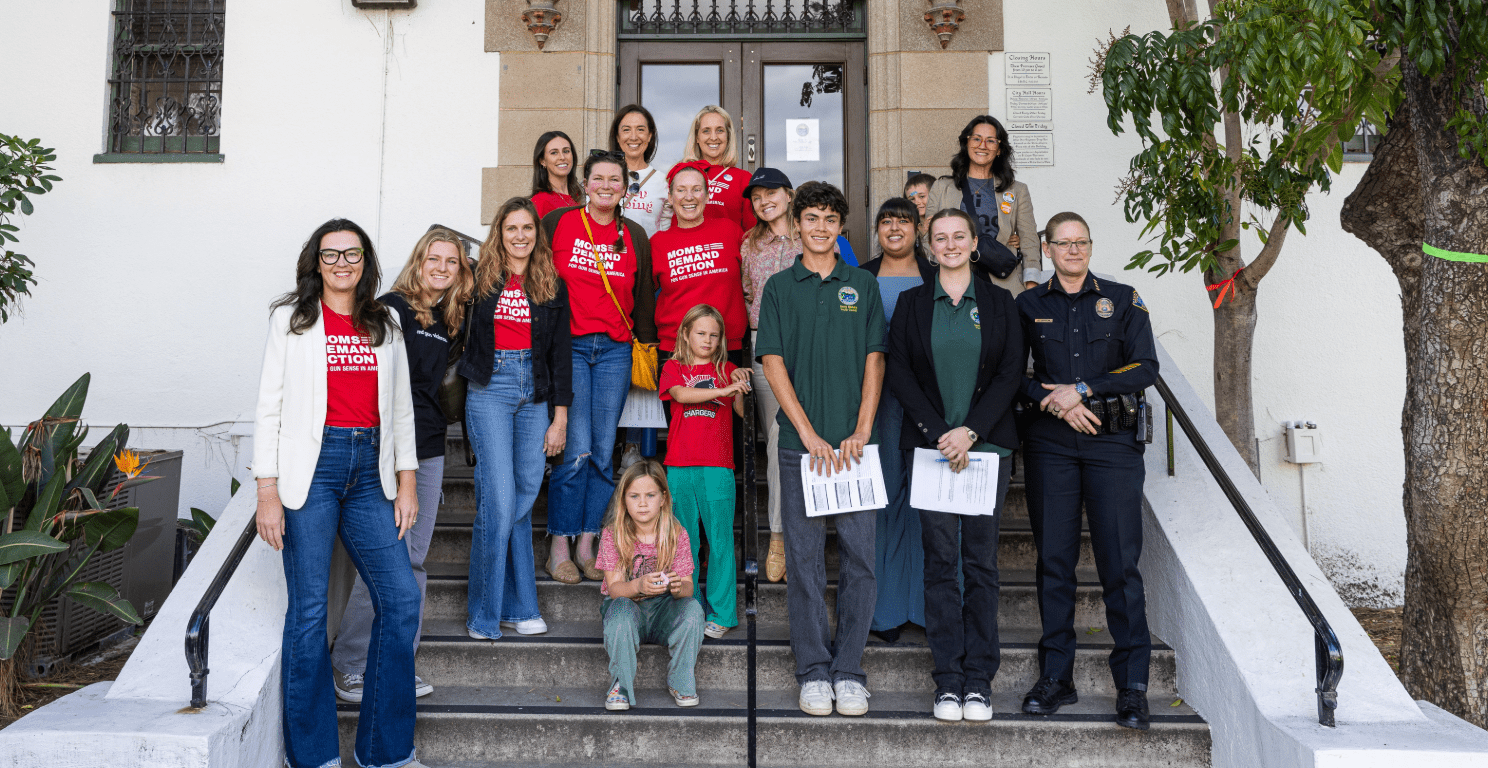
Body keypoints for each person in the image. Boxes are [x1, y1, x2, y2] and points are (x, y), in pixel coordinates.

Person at [253, 219, 425, 768]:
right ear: (316, 263)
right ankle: (313, 757)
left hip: (370, 470)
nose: (342, 264)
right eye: (331, 255)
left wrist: (407, 480)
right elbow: (269, 408)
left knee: (399, 599)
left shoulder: (387, 321)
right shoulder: (292, 320)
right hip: (313, 470)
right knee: (307, 613)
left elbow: (401, 408)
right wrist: (267, 490)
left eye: (352, 254)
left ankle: (385, 752)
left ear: (366, 262)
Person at [1016, 211, 1158, 730]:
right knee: (1054, 562)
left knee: (1120, 562)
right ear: (1047, 250)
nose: (1073, 250)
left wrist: (1083, 389)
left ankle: (1133, 686)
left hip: (1112, 442)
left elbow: (1146, 367)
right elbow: (1012, 374)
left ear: (1090, 248)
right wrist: (1057, 402)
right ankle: (1056, 677)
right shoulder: (1027, 305)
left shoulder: (1122, 299)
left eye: (1082, 242)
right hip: (1051, 443)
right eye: (1063, 243)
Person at [887, 208, 1023, 723]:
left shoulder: (1000, 303)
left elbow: (1012, 372)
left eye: (958, 237)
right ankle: (948, 680)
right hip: (930, 451)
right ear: (929, 243)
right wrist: (940, 434)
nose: (949, 244)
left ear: (973, 243)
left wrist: (970, 432)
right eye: (939, 237)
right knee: (941, 565)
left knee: (982, 566)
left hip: (986, 452)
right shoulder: (912, 303)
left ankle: (979, 682)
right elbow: (900, 372)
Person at [756, 181, 884, 718]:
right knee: (804, 560)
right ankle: (812, 670)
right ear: (799, 224)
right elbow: (773, 363)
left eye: (831, 218)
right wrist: (806, 433)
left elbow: (875, 359)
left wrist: (860, 428)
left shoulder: (863, 284)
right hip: (800, 447)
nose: (821, 226)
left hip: (856, 448)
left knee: (861, 559)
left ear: (841, 227)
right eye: (812, 218)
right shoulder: (781, 287)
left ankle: (849, 671)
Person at [330, 226, 472, 703]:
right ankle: (349, 663)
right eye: (435, 259)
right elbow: (372, 377)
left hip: (429, 445)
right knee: (386, 560)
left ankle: (396, 662)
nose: (442, 268)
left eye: (452, 262)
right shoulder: (391, 308)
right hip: (387, 448)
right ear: (419, 259)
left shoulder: (447, 317)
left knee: (413, 559)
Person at [542, 150, 658, 584]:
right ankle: (559, 544)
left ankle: (589, 542)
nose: (607, 185)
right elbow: (538, 280)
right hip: (569, 347)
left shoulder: (636, 235)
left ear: (625, 187)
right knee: (576, 449)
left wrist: (648, 350)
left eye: (615, 179)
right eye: (599, 178)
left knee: (604, 448)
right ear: (585, 184)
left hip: (614, 350)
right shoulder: (560, 224)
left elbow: (643, 295)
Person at [459, 197, 573, 639]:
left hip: (536, 391)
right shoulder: (478, 279)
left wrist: (560, 417)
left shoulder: (550, 283)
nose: (520, 236)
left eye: (528, 228)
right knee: (501, 499)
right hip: (490, 388)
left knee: (521, 500)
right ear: (499, 233)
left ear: (536, 234)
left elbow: (560, 354)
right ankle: (485, 614)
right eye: (512, 229)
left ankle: (521, 605)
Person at [739, 167, 855, 583]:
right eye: (756, 196)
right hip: (768, 351)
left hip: (821, 348)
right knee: (780, 440)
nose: (763, 200)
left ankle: (824, 531)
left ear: (791, 197)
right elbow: (748, 296)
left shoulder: (817, 233)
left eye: (772, 192)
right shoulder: (749, 244)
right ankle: (780, 536)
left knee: (825, 432)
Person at [858, 198, 936, 644]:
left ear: (917, 228)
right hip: (878, 403)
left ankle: (926, 609)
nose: (893, 228)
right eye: (885, 221)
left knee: (926, 502)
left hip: (927, 405)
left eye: (902, 221)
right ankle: (884, 612)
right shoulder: (861, 277)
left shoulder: (935, 274)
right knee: (882, 500)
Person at [659, 304, 750, 639]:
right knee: (685, 541)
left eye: (715, 334)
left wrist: (739, 385)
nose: (708, 339)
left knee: (721, 540)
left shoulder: (728, 369)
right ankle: (690, 606)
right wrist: (722, 390)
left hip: (718, 466)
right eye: (701, 333)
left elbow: (742, 413)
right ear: (686, 333)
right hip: (680, 465)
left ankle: (723, 613)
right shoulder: (673, 368)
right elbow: (681, 395)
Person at [596, 460, 705, 710]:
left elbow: (688, 586)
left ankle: (681, 679)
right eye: (634, 496)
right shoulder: (613, 534)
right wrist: (638, 586)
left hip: (665, 611)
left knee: (693, 609)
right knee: (620, 611)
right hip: (628, 608)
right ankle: (621, 684)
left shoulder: (677, 533)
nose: (642, 503)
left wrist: (678, 587)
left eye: (650, 495)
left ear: (663, 498)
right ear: (623, 500)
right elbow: (614, 589)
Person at [925, 115, 1041, 295]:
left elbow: (1030, 241)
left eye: (991, 140)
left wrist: (1031, 285)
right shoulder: (942, 188)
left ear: (999, 149)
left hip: (1004, 283)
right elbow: (928, 236)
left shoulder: (1017, 190)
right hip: (953, 282)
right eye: (976, 138)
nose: (982, 145)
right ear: (966, 143)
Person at [650, 161, 747, 357]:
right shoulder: (657, 243)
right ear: (670, 196)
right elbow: (642, 297)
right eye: (681, 190)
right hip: (676, 349)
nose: (689, 197)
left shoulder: (730, 231)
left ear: (707, 195)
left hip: (726, 346)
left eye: (696, 189)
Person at [676, 105, 757, 232]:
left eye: (719, 130)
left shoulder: (744, 179)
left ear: (728, 136)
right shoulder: (681, 175)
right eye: (706, 131)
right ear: (697, 137)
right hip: (690, 250)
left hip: (731, 250)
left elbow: (752, 231)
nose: (713, 137)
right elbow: (673, 225)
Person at [611, 104, 669, 237]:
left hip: (648, 256)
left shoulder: (663, 182)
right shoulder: (602, 178)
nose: (633, 137)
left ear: (649, 136)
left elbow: (666, 230)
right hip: (610, 256)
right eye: (626, 130)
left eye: (640, 130)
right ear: (617, 136)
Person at [531, 130, 584, 219]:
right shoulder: (540, 201)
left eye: (566, 151)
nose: (562, 157)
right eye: (554, 153)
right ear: (542, 161)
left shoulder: (578, 197)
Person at [903, 173, 935, 239]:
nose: (916, 202)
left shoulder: (947, 220)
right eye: (912, 199)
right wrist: (922, 235)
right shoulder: (908, 227)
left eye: (922, 196)